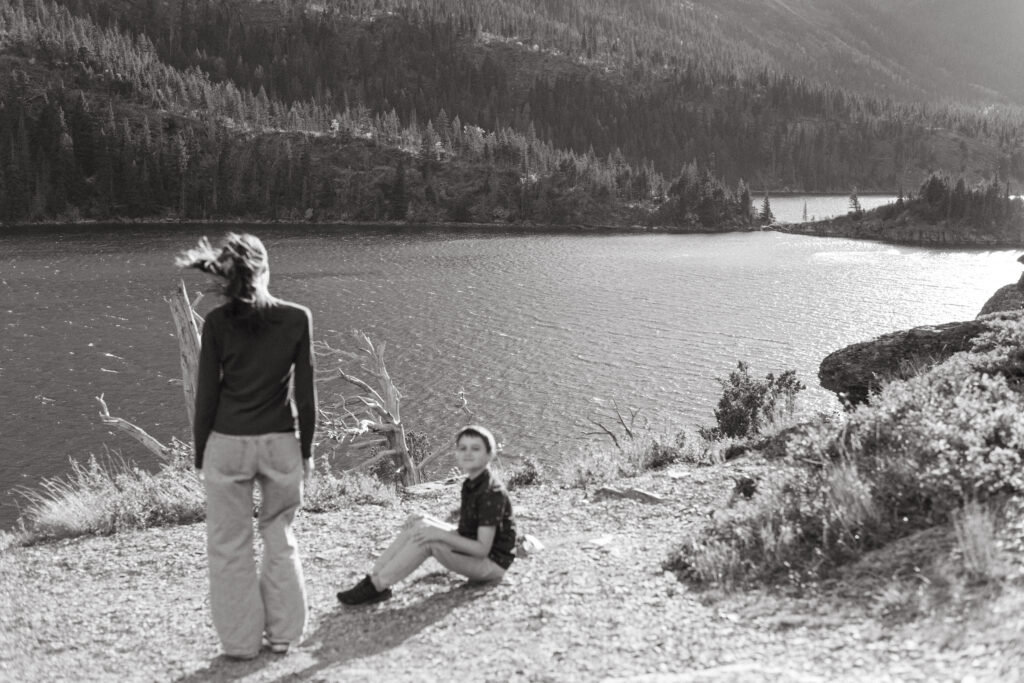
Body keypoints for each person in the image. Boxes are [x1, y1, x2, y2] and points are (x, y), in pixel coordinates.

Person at [176, 233, 316, 659]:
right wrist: (306, 451)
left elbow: (207, 396)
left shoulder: (218, 322)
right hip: (279, 444)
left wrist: (201, 454)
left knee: (229, 544)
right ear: (265, 269)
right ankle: (283, 636)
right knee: (279, 535)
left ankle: (239, 645)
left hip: (228, 443)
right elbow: (307, 396)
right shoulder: (297, 318)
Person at [337, 425, 517, 605]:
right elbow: (466, 532)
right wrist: (431, 527)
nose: (468, 453)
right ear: (456, 453)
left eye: (476, 448)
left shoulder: (491, 492)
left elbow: (481, 549)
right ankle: (374, 578)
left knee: (429, 541)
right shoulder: (472, 483)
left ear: (490, 454)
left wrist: (438, 534)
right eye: (463, 448)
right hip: (478, 553)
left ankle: (378, 586)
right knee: (419, 521)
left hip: (491, 564)